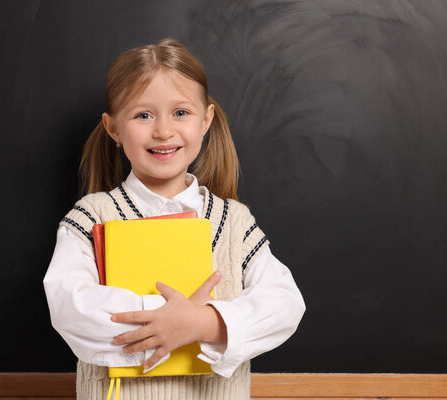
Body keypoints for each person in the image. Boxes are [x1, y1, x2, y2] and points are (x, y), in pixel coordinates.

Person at [43, 38, 306, 400]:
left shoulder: (235, 222)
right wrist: (163, 317)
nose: (163, 131)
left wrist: (203, 322)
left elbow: (284, 304)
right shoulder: (90, 217)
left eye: (180, 112)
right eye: (143, 115)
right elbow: (69, 306)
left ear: (206, 120)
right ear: (114, 128)